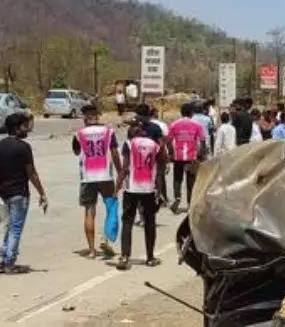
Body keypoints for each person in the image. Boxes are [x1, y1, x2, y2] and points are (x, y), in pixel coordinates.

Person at [0, 113, 47, 273]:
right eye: (24, 125)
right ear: (17, 128)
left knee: (9, 226)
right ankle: (9, 262)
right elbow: (31, 173)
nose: (27, 128)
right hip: (19, 194)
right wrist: (42, 193)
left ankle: (5, 257)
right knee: (15, 228)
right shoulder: (23, 147)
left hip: (4, 193)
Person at [72, 105, 122, 258]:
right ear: (97, 116)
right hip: (105, 175)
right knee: (111, 207)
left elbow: (76, 152)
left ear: (85, 118)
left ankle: (92, 250)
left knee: (89, 212)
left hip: (88, 177)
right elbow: (114, 153)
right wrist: (120, 173)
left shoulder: (79, 134)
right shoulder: (109, 132)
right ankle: (105, 239)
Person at [117, 122, 166, 270]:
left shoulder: (129, 144)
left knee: (127, 221)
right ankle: (150, 258)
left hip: (131, 189)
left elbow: (125, 168)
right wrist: (160, 188)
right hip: (148, 189)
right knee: (150, 222)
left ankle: (125, 256)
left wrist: (117, 186)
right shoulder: (154, 145)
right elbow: (161, 166)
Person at [168, 102, 209, 213]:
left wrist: (171, 153)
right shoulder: (196, 125)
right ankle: (190, 204)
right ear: (191, 113)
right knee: (191, 181)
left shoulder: (174, 124)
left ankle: (177, 198)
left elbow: (168, 140)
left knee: (177, 179)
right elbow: (203, 141)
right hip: (191, 157)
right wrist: (201, 155)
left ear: (181, 113)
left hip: (178, 157)